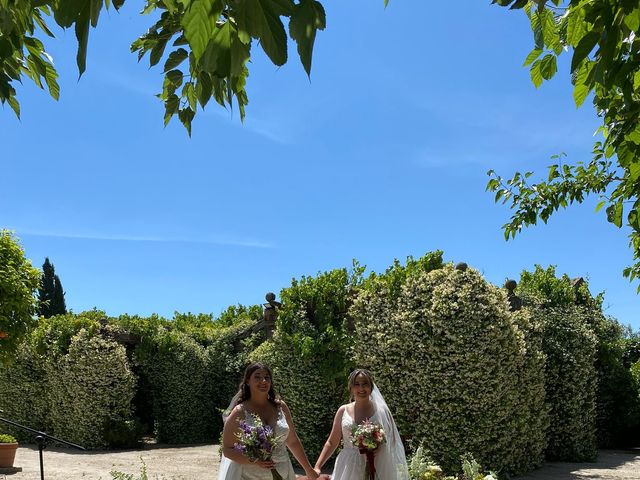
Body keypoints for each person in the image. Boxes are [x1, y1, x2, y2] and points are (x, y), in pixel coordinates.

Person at [218, 362, 321, 480]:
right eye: (257, 377)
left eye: (267, 377)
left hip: (283, 473)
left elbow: (292, 441)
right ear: (247, 381)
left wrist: (308, 469)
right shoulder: (239, 412)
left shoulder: (280, 407)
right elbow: (227, 450)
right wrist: (255, 460)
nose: (263, 381)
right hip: (249, 476)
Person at [313, 369, 409, 480]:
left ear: (371, 386)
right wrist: (317, 466)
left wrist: (379, 447)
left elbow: (392, 440)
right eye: (357, 384)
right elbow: (332, 441)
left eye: (365, 384)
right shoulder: (342, 411)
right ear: (351, 387)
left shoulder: (382, 411)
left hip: (377, 463)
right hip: (348, 465)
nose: (361, 388)